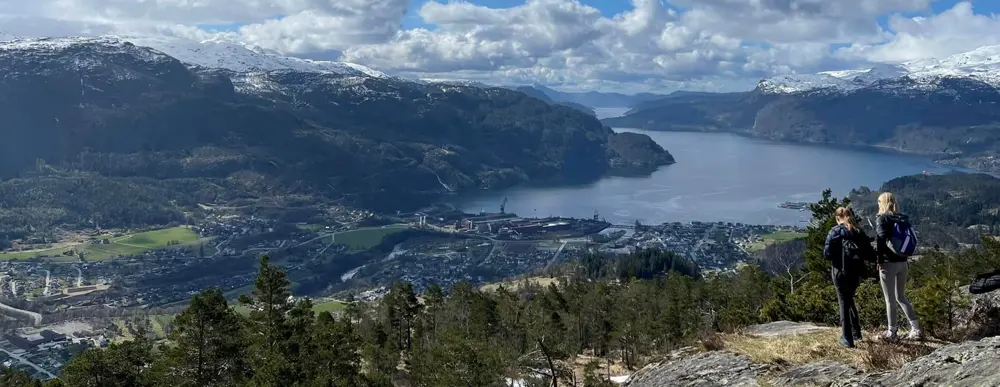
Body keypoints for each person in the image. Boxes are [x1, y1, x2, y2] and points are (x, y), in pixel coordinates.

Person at [824, 206, 875, 348]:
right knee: (849, 298)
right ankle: (856, 332)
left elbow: (827, 255)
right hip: (855, 272)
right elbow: (869, 253)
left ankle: (847, 338)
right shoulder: (858, 232)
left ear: (836, 218)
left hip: (839, 271)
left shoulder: (834, 232)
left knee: (843, 301)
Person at [875, 192, 922, 340]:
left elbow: (881, 240)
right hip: (903, 262)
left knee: (890, 299)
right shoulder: (902, 218)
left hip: (888, 264)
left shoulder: (882, 219)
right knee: (901, 297)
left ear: (882, 203)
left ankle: (892, 332)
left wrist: (879, 260)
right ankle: (916, 329)